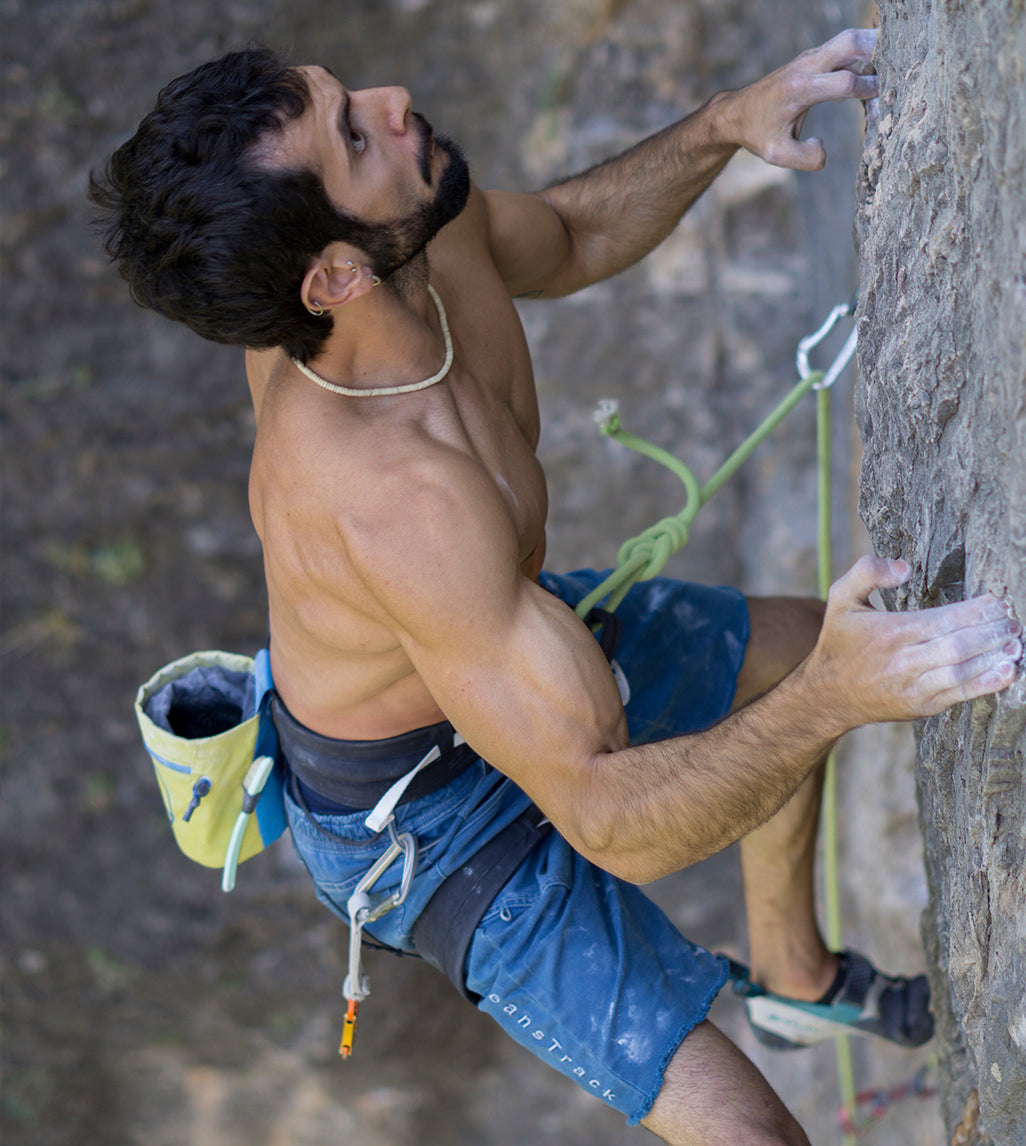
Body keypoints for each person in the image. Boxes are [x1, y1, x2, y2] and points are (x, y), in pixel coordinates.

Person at [90, 28, 1022, 1145]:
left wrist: (726, 121)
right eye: (353, 134)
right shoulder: (392, 502)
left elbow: (572, 234)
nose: (394, 98)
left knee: (782, 662)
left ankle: (792, 979)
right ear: (331, 277)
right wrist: (837, 696)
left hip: (490, 645)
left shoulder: (414, 229)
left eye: (349, 96)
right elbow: (606, 814)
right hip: (423, 824)